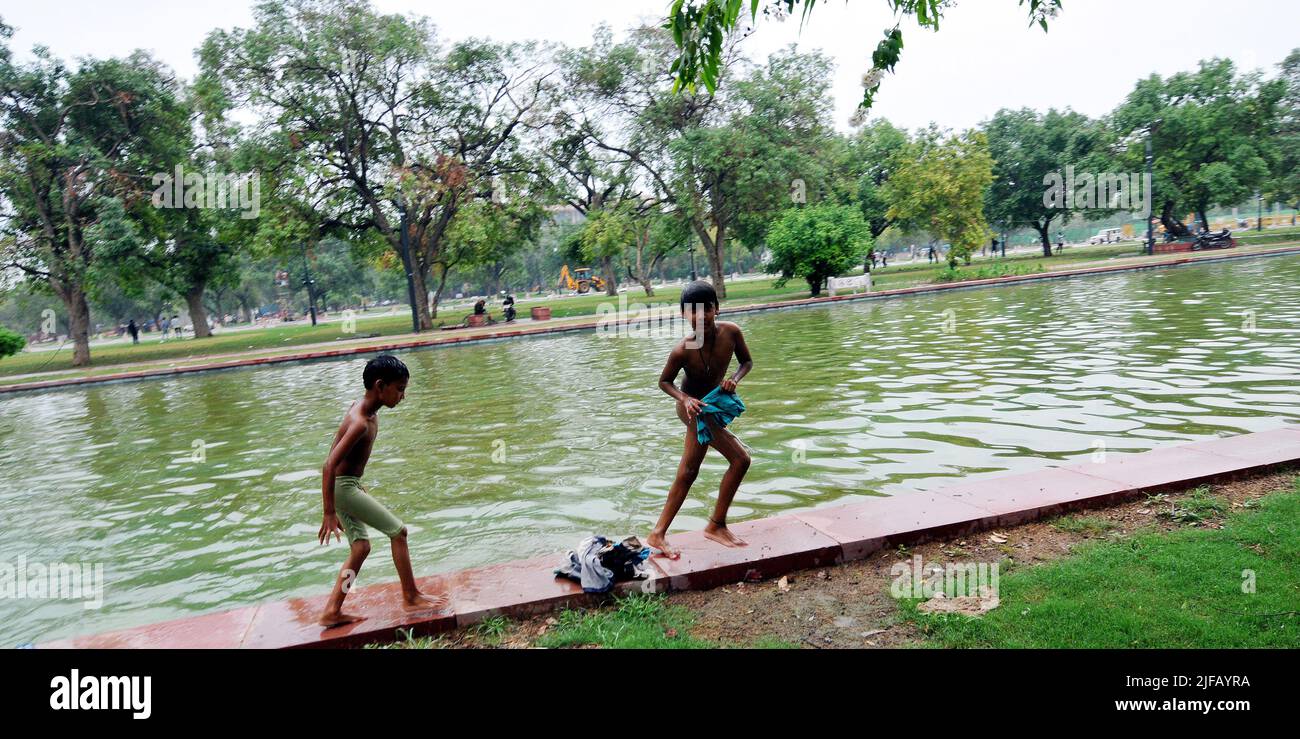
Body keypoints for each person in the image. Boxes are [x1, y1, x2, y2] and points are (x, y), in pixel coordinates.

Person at [317, 354, 445, 627]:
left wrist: (346, 492)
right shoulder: (360, 422)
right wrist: (329, 511)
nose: (402, 396)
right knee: (398, 532)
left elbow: (335, 458)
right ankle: (410, 596)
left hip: (346, 487)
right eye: (399, 389)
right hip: (343, 488)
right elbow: (329, 465)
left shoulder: (365, 410)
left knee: (361, 547)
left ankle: (332, 611)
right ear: (380, 385)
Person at [647, 280, 754, 559]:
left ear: (716, 309)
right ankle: (716, 525)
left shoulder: (731, 333)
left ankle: (658, 534)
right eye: (692, 311)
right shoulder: (682, 350)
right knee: (740, 459)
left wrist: (734, 379)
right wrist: (684, 399)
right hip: (693, 409)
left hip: (714, 404)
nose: (700, 316)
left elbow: (746, 362)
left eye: (706, 309)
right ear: (684, 315)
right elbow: (664, 382)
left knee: (689, 471)